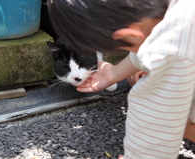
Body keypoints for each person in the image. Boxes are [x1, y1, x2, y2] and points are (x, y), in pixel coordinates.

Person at [48, 0, 195, 158]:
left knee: (180, 116)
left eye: (127, 47)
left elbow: (156, 122)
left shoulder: (173, 53)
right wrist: (114, 74)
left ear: (129, 35)